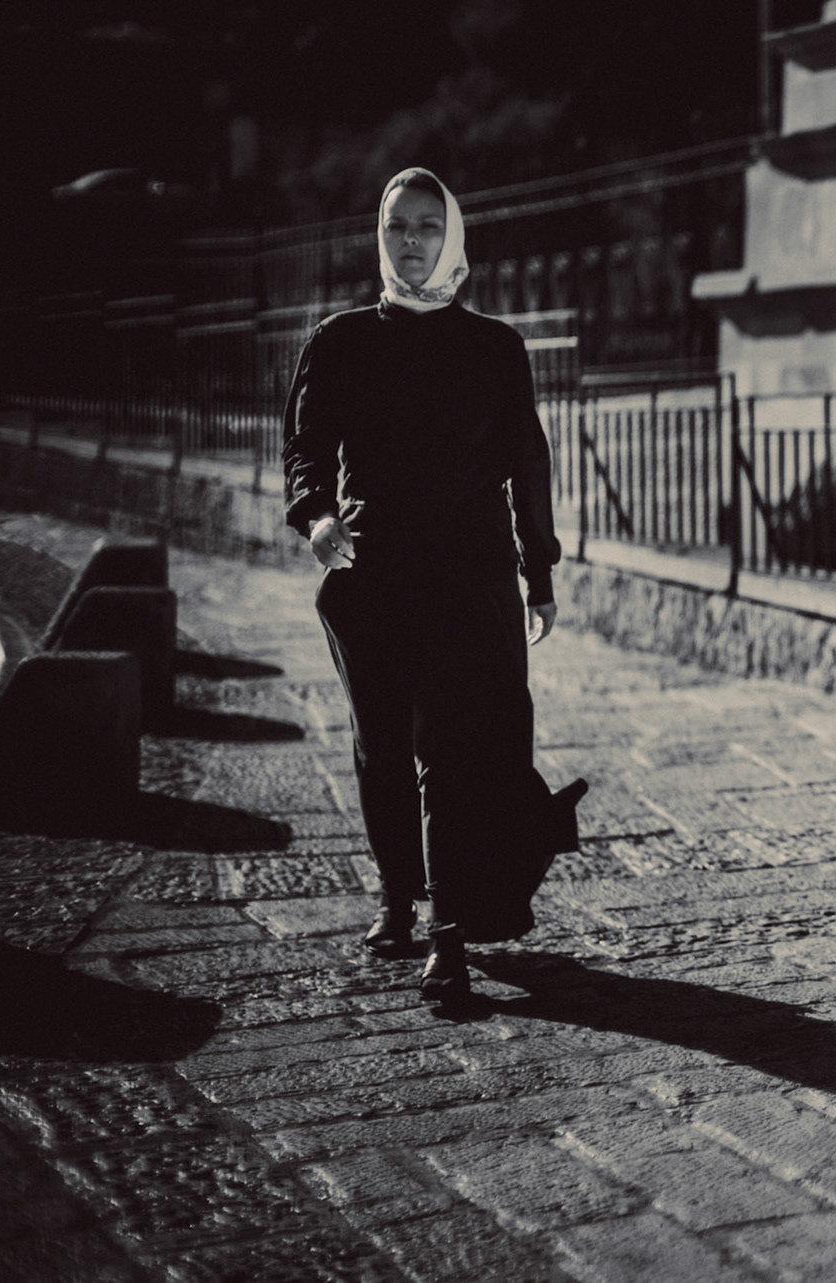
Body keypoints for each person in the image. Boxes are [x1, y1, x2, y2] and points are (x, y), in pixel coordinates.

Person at [281, 166, 583, 1005]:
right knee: (381, 749)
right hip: (370, 575)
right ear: (379, 238)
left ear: (450, 233)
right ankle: (395, 895)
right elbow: (305, 444)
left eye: (424, 225)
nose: (409, 242)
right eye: (395, 227)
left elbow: (527, 461)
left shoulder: (496, 347)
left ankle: (450, 928)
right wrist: (314, 517)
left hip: (469, 578)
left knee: (452, 752)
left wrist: (540, 567)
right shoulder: (338, 342)